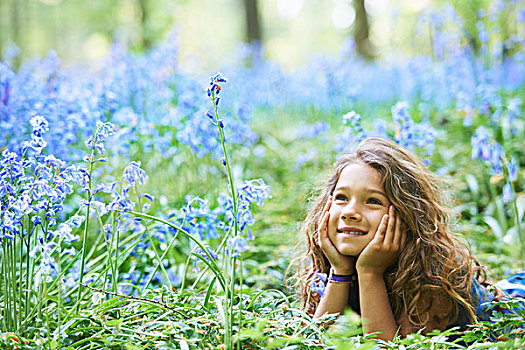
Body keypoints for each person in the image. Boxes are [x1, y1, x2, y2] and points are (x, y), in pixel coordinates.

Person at [290, 137, 524, 340]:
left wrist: (369, 273)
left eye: (373, 201)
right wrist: (339, 272)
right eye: (341, 197)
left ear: (405, 215)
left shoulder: (432, 273)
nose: (350, 212)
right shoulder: (332, 262)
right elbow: (314, 341)